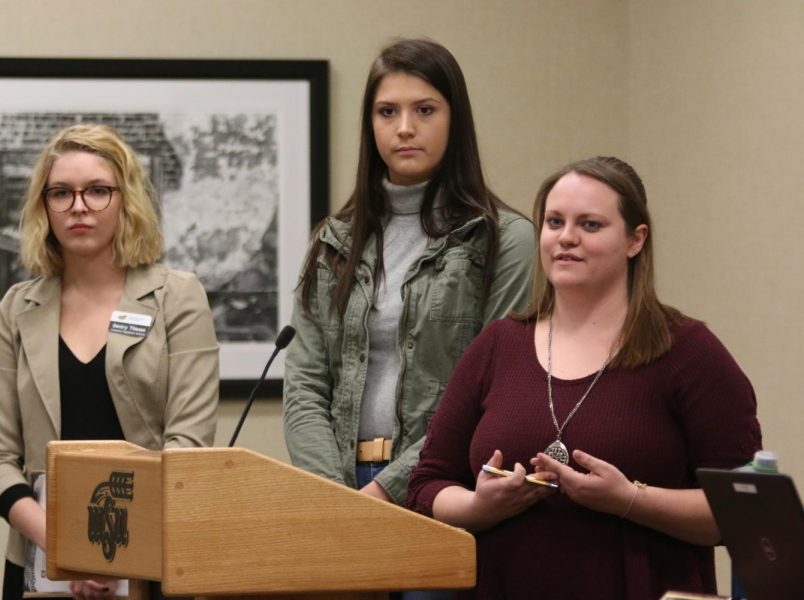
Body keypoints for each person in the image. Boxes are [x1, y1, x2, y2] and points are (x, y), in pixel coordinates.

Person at [407, 156, 762, 600]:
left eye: (590, 225)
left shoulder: (689, 352)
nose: (566, 238)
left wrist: (630, 499)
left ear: (636, 240)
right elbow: (426, 484)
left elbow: (748, 514)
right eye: (554, 222)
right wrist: (479, 507)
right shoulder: (497, 344)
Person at [283, 37, 534, 509]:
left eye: (424, 110)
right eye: (386, 112)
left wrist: (386, 489)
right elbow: (305, 387)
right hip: (336, 483)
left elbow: (490, 391)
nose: (403, 128)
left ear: (454, 119)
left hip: (444, 486)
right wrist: (334, 497)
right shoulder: (333, 241)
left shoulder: (505, 240)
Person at [0, 124, 220, 600]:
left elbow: (186, 443)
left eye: (97, 191)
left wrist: (114, 554)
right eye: (61, 193)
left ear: (126, 199)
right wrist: (70, 549)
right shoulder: (16, 309)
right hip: (41, 562)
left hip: (151, 563)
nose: (79, 206)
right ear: (44, 206)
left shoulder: (177, 297)